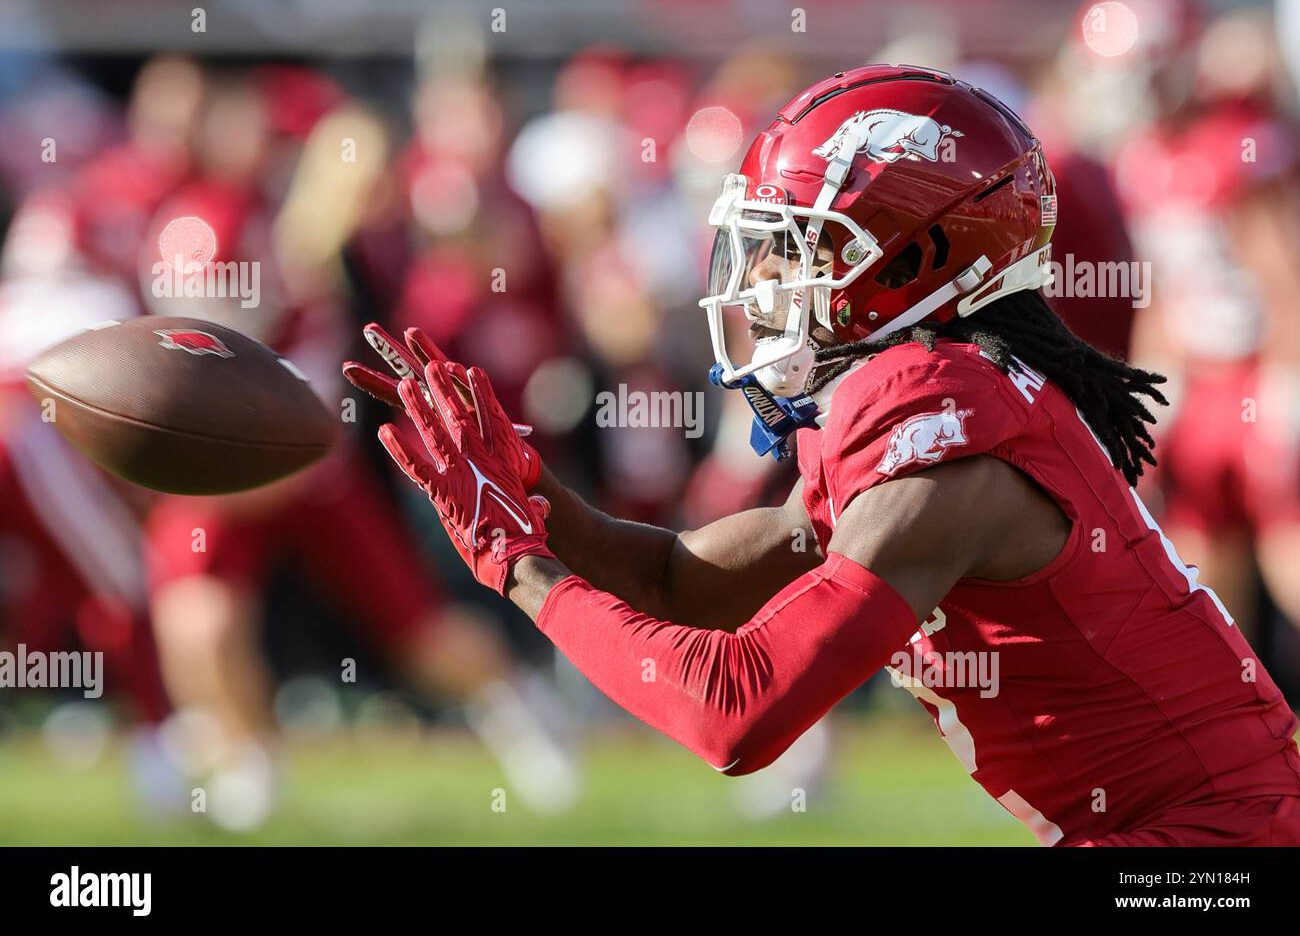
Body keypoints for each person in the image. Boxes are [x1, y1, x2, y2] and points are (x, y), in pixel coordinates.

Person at [345, 67, 1300, 846]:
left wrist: (521, 569)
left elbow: (736, 715)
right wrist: (531, 493)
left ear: (910, 262)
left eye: (791, 246)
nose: (756, 278)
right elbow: (687, 584)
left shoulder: (946, 448)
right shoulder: (930, 393)